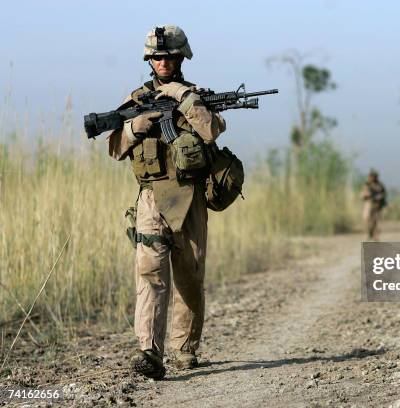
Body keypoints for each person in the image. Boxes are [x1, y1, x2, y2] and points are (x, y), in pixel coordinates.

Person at [106, 25, 226, 380]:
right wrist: (134, 127)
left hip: (189, 198)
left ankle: (185, 348)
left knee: (188, 275)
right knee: (150, 273)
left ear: (180, 57)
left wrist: (184, 98)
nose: (163, 62)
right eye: (157, 56)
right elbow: (114, 148)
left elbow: (211, 130)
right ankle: (149, 352)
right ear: (149, 59)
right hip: (150, 199)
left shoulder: (193, 97)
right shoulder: (137, 99)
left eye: (169, 56)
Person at [361, 169, 386, 240]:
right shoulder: (367, 185)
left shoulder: (380, 185)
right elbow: (363, 194)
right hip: (369, 203)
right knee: (367, 219)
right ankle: (369, 233)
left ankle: (375, 234)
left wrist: (379, 197)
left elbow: (383, 194)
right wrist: (367, 195)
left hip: (377, 205)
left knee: (376, 220)